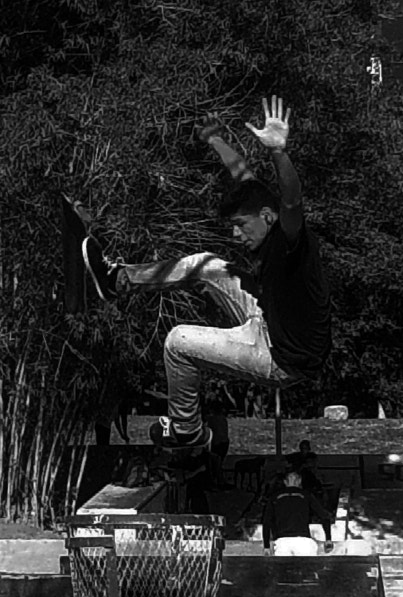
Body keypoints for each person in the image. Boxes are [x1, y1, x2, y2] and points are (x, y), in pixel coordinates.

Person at [92, 94, 332, 452]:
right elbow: (244, 177)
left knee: (177, 342)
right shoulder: (263, 216)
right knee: (206, 264)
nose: (236, 235)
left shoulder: (290, 239)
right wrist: (215, 139)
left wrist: (279, 151)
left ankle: (187, 431)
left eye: (240, 226)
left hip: (280, 359)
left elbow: (292, 200)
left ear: (268, 217)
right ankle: (118, 281)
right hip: (266, 317)